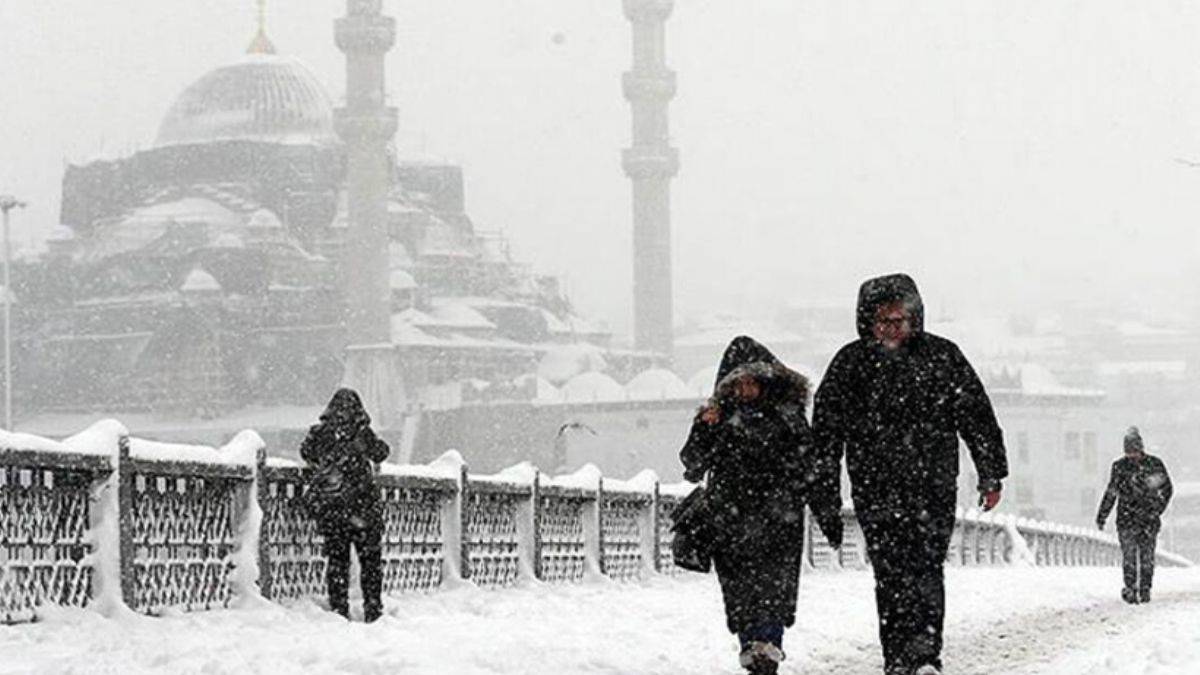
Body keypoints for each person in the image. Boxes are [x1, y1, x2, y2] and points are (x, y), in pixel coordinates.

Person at [810, 274, 1008, 675]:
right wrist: (825, 498)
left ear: (914, 319)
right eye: (883, 322)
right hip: (875, 489)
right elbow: (825, 437)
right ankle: (899, 658)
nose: (892, 330)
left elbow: (976, 416)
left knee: (927, 568)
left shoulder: (942, 357)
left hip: (931, 486)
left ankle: (924, 654)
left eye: (899, 320)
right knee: (890, 573)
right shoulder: (850, 365)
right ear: (868, 322)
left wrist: (991, 474)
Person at [680, 336, 842, 675]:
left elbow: (811, 469)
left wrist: (828, 515)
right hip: (731, 521)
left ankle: (768, 646)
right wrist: (703, 428)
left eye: (752, 381)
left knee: (773, 589)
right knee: (740, 591)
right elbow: (692, 465)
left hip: (778, 520)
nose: (746, 389)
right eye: (739, 383)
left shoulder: (788, 419)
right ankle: (751, 646)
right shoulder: (719, 420)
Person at [300, 388, 391, 622]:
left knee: (337, 562)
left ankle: (339, 609)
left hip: (334, 510)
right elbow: (381, 453)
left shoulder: (321, 433)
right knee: (370, 562)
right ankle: (373, 608)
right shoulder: (362, 433)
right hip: (363, 508)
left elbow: (306, 452)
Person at [1096, 426, 1173, 604]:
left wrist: (1156, 509)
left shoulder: (1154, 465)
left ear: (1141, 448)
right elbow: (1111, 493)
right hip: (1128, 520)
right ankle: (1131, 588)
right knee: (1130, 556)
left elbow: (1167, 489)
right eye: (1129, 452)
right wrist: (1102, 515)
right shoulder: (1120, 467)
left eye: (1134, 451)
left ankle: (1145, 588)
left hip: (1146, 519)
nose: (1132, 456)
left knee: (1146, 556)